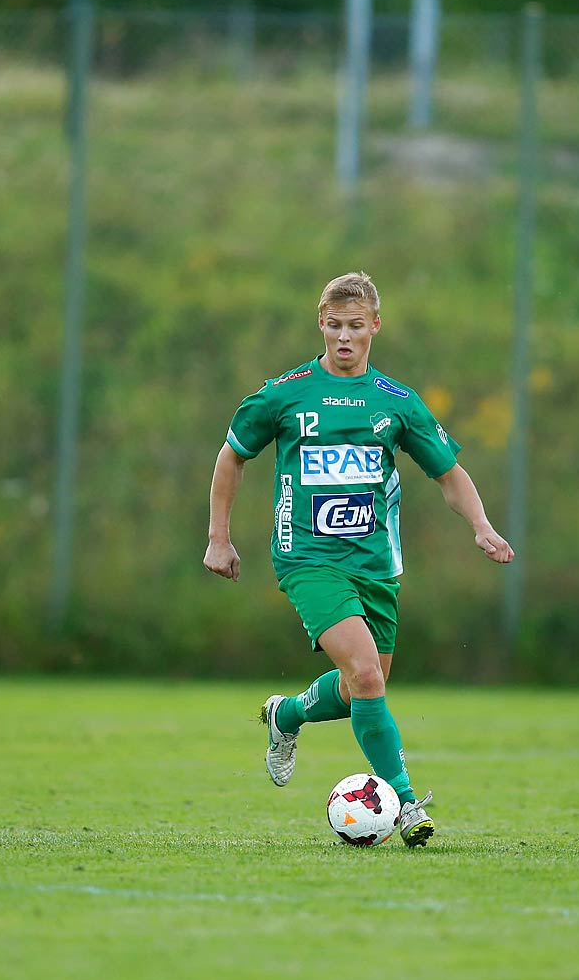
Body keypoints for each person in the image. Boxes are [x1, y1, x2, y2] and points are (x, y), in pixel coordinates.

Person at [203, 271, 514, 846]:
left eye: (355, 326)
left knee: (360, 688)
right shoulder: (284, 394)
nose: (344, 337)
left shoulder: (397, 403)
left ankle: (286, 716)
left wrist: (481, 526)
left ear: (375, 326)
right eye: (334, 325)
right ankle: (404, 804)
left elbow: (448, 474)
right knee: (367, 674)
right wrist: (219, 538)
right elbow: (231, 459)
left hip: (377, 566)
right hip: (308, 559)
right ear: (321, 324)